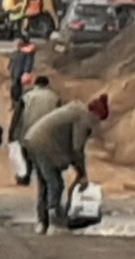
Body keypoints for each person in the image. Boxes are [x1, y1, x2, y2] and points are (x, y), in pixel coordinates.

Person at [24, 92, 109, 234]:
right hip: (45, 144)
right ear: (96, 114)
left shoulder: (76, 110)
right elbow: (77, 147)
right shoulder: (84, 117)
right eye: (99, 119)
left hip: (32, 139)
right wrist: (82, 173)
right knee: (54, 183)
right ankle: (54, 221)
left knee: (45, 184)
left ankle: (42, 222)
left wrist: (79, 170)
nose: (98, 123)